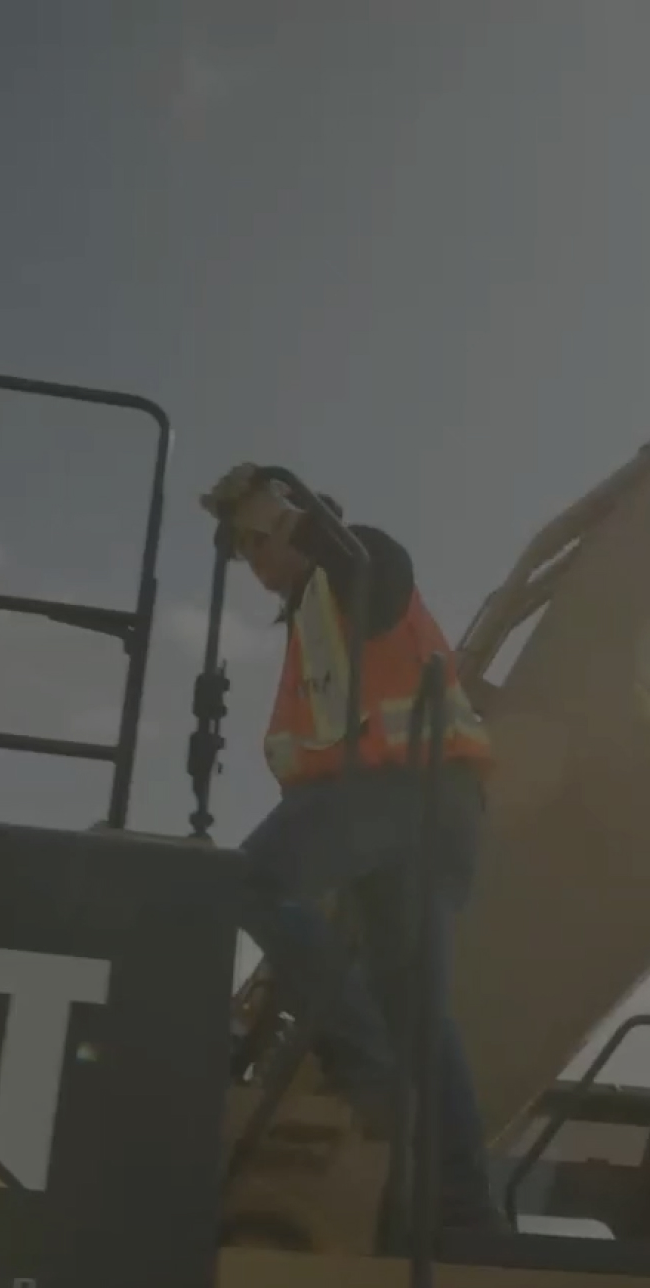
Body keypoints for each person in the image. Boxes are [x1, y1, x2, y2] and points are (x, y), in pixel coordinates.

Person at [202, 462, 501, 1233]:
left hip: (399, 797)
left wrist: (288, 513)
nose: (254, 561)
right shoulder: (316, 619)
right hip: (425, 809)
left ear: (292, 524)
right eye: (244, 548)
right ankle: (468, 1221)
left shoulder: (356, 568)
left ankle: (368, 1068)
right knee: (419, 1017)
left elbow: (375, 570)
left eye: (255, 541)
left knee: (248, 881)